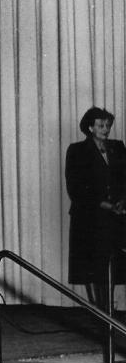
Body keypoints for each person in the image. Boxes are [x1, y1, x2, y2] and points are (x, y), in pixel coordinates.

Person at [66, 107, 126, 310]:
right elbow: (75, 187)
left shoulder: (118, 147)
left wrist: (122, 201)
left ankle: (108, 309)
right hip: (89, 217)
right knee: (93, 265)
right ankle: (100, 310)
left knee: (113, 263)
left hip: (116, 217)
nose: (106, 129)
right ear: (90, 127)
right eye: (101, 125)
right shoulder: (77, 150)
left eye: (108, 125)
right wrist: (105, 204)